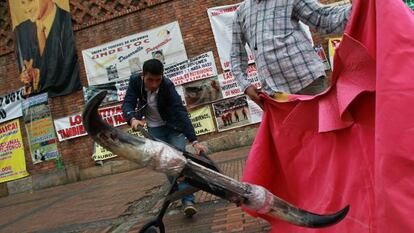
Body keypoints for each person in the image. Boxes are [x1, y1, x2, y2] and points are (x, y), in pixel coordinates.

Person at [122, 59, 207, 217]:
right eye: (150, 80)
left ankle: (188, 201)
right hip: (154, 129)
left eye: (158, 80)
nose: (154, 85)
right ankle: (176, 190)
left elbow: (180, 112)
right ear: (143, 76)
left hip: (173, 127)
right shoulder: (135, 82)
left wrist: (194, 141)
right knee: (166, 163)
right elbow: (128, 103)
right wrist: (132, 119)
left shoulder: (167, 85)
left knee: (179, 162)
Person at [231, 0, 352, 108]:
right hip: (274, 94)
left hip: (309, 83)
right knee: (292, 133)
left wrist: (356, 9)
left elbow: (322, 18)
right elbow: (236, 55)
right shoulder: (241, 12)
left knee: (327, 129)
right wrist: (245, 86)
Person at [14, 0, 81, 97]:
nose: (27, 9)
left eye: (31, 1)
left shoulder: (66, 20)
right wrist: (28, 76)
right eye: (23, 3)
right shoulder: (21, 31)